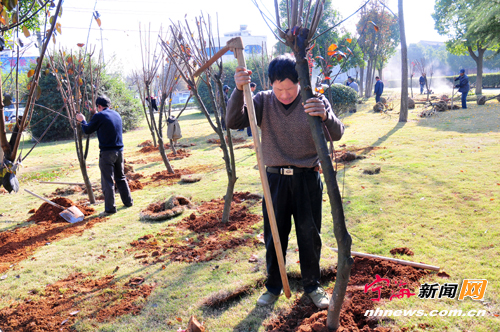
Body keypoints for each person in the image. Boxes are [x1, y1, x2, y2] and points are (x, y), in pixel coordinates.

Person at [226, 55, 344, 309]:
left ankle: (312, 285)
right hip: (275, 180)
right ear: (271, 84)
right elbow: (233, 122)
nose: (285, 94)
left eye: (291, 88)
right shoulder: (263, 100)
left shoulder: (314, 100)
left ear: (300, 82)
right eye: (279, 89)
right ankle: (273, 286)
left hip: (307, 178)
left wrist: (325, 117)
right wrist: (238, 90)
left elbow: (337, 132)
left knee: (309, 234)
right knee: (274, 236)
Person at [76, 95, 133, 215]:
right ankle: (128, 202)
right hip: (120, 151)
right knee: (121, 177)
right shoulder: (116, 114)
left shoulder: (99, 116)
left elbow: (87, 130)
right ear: (109, 105)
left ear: (99, 106)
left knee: (107, 181)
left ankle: (110, 209)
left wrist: (82, 120)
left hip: (107, 153)